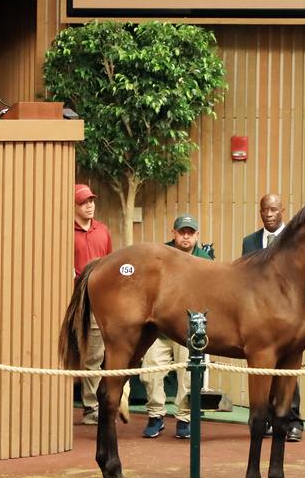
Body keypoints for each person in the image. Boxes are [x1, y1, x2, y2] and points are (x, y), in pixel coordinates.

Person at [140, 214, 214, 440]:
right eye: (182, 232)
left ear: (197, 236)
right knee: (149, 371)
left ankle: (184, 418)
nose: (186, 236)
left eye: (190, 232)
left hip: (189, 331)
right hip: (160, 329)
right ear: (174, 233)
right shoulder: (161, 256)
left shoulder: (205, 260)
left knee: (188, 375)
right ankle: (156, 415)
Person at [241, 193, 305, 442]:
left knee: (289, 370)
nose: (268, 214)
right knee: (263, 370)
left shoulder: (296, 241)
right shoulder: (249, 242)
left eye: (273, 210)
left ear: (283, 211)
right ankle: (264, 419)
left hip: (287, 317)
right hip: (258, 317)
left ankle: (294, 420)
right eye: (264, 210)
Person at [72, 183, 128, 425]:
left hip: (104, 302)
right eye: (84, 202)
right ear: (74, 206)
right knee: (92, 355)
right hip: (78, 302)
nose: (90, 205)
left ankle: (111, 403)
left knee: (110, 352)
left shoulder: (102, 230)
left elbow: (110, 263)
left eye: (91, 201)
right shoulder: (67, 232)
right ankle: (90, 407)